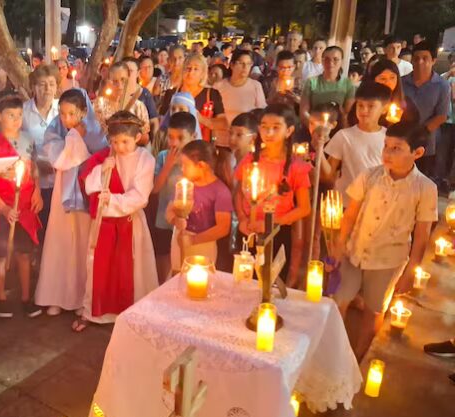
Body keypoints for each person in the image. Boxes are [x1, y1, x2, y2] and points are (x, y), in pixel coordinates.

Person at [333, 122, 437, 361]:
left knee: (374, 308)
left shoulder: (425, 188)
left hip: (388, 261)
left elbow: (421, 236)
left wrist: (410, 271)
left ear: (417, 153)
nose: (387, 153)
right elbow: (350, 215)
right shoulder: (369, 176)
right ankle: (335, 350)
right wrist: (339, 245)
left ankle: (360, 356)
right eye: (386, 146)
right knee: (338, 300)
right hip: (354, 251)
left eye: (396, 148)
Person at [76, 111, 158, 331]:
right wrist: (102, 170)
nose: (120, 147)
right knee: (100, 269)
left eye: (125, 142)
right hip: (105, 223)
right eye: (115, 141)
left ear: (138, 137)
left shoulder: (145, 159)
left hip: (131, 221)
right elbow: (89, 184)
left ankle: (133, 312)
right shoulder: (107, 157)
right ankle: (97, 312)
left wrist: (112, 200)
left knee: (131, 271)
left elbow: (141, 196)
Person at [35, 89, 107, 316]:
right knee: (61, 241)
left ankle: (81, 298)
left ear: (83, 112)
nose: (66, 119)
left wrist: (81, 140)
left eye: (72, 114)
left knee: (83, 243)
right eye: (62, 113)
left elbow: (101, 155)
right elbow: (59, 158)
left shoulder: (94, 130)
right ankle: (56, 296)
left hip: (86, 190)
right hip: (62, 192)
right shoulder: (55, 129)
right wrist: (74, 137)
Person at [0, 96, 43, 318]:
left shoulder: (28, 140)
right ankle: (1, 298)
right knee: (1, 254)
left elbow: (34, 169)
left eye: (19, 115)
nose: (16, 120)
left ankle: (26, 297)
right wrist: (3, 208)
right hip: (1, 205)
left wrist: (37, 191)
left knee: (24, 252)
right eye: (11, 115)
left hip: (24, 205)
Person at [234, 104, 312, 286]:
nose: (268, 132)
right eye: (264, 127)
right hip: (248, 230)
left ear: (289, 131)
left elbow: (304, 208)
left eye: (276, 127)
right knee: (244, 280)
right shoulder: (250, 160)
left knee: (270, 283)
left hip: (277, 232)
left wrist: (271, 223)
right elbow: (239, 193)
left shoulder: (296, 167)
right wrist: (242, 218)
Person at [165, 139, 232, 271]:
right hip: (180, 239)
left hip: (203, 245)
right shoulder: (184, 186)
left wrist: (193, 240)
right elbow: (170, 211)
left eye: (185, 165)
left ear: (201, 165)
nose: (182, 169)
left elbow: (223, 227)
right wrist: (175, 220)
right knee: (178, 273)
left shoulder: (220, 191)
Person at [321, 82, 391, 199]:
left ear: (384, 109)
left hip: (375, 201)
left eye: (371, 106)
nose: (364, 110)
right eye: (360, 105)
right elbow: (328, 175)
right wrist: (319, 149)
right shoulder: (344, 136)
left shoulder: (389, 138)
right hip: (346, 200)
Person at [152, 112, 197, 282]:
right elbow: (155, 188)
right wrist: (168, 165)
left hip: (188, 222)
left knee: (184, 260)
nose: (174, 143)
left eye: (180, 138)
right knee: (163, 260)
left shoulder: (198, 159)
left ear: (193, 136)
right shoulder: (163, 157)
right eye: (171, 137)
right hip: (164, 220)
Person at [402, 41, 452, 182]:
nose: (420, 62)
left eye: (425, 58)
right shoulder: (401, 82)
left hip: (426, 143)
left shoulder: (442, 86)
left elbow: (441, 116)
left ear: (433, 61)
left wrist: (419, 132)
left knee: (419, 181)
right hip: (401, 139)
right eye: (416, 58)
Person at [22, 65, 60, 241]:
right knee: (39, 228)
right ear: (33, 87)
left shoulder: (62, 110)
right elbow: (19, 146)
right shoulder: (24, 112)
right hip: (35, 182)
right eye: (42, 84)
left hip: (60, 180)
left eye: (51, 84)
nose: (47, 89)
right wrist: (35, 165)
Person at [159, 55, 225, 143]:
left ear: (202, 73)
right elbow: (162, 121)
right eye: (188, 68)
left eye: (196, 69)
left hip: (202, 145)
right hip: (174, 144)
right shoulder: (172, 94)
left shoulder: (211, 94)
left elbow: (223, 123)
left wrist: (201, 119)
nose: (191, 72)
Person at [94, 61, 150, 144]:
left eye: (123, 80)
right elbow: (94, 134)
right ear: (108, 81)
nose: (119, 86)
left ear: (129, 79)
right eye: (115, 81)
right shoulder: (99, 104)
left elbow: (145, 138)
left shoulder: (138, 106)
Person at [300, 46, 355, 126]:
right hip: (313, 126)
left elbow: (347, 113)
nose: (331, 63)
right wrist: (316, 125)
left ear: (341, 61)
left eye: (335, 59)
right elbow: (304, 112)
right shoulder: (312, 82)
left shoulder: (347, 84)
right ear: (322, 61)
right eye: (327, 59)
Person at [214, 50, 267, 126]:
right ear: (232, 65)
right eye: (241, 63)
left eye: (248, 64)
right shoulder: (218, 86)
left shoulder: (256, 86)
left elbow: (261, 112)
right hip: (222, 130)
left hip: (245, 130)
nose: (245, 67)